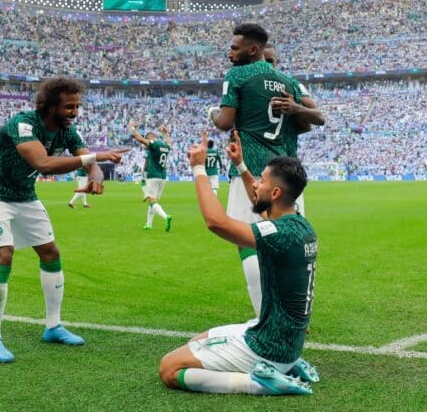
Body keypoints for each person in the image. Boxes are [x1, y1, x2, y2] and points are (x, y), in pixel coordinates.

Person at [0, 77, 128, 363]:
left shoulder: (68, 131)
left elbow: (88, 161)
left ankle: (53, 326)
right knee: (3, 256)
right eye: (69, 107)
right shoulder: (23, 124)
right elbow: (43, 163)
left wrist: (96, 177)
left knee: (50, 252)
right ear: (50, 106)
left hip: (24, 194)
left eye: (77, 106)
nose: (74, 112)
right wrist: (92, 160)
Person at [158, 131, 318, 395]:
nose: (255, 184)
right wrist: (241, 166)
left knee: (169, 368)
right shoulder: (298, 223)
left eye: (261, 181)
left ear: (276, 192)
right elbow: (262, 204)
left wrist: (198, 168)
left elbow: (216, 222)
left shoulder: (279, 234)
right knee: (198, 341)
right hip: (280, 338)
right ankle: (285, 367)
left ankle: (259, 383)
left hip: (269, 347)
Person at [208, 24, 318, 319]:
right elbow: (314, 120)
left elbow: (223, 122)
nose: (230, 52)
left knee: (248, 242)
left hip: (253, 172)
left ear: (252, 49)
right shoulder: (290, 83)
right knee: (289, 242)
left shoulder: (238, 76)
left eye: (234, 47)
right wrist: (295, 110)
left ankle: (265, 318)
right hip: (289, 175)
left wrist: (212, 113)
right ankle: (295, 313)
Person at [263, 43, 326, 215]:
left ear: (277, 62)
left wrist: (296, 108)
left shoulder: (291, 84)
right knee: (251, 232)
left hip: (286, 166)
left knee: (290, 227)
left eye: (271, 61)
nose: (268, 65)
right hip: (257, 168)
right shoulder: (249, 84)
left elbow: (319, 117)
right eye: (264, 60)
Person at [128, 120, 172, 232]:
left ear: (151, 138)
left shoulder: (154, 144)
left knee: (152, 201)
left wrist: (132, 128)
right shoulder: (165, 146)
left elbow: (139, 139)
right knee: (153, 201)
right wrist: (166, 133)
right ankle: (149, 223)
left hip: (153, 175)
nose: (147, 141)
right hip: (163, 176)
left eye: (148, 138)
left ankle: (165, 217)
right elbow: (169, 143)